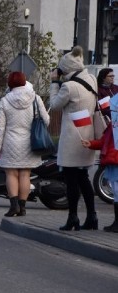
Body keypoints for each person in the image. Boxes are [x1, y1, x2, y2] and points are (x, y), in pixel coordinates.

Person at [50, 45, 99, 230]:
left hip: (72, 138)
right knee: (83, 177)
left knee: (71, 179)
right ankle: (92, 217)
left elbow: (54, 105)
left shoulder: (69, 87)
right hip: (87, 133)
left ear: (67, 69)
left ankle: (73, 218)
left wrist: (55, 82)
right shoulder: (92, 79)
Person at [0, 71, 50, 217]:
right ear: (25, 82)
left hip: (10, 142)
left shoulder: (5, 101)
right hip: (29, 143)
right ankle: (23, 208)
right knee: (25, 174)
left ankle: (14, 206)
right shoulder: (35, 98)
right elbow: (46, 120)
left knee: (11, 174)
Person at [82, 94, 118, 232]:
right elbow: (104, 141)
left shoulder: (114, 124)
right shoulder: (113, 125)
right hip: (113, 160)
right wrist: (91, 144)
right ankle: (116, 222)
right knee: (115, 191)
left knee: (117, 191)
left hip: (114, 159)